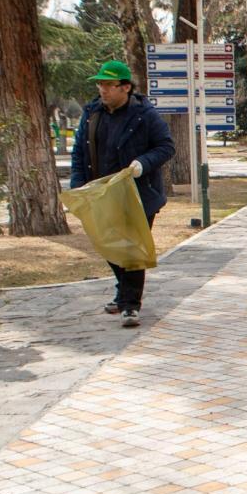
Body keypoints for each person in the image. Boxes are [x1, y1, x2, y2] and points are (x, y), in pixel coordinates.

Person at [71, 61, 175, 328]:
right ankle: (122, 293)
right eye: (100, 84)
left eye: (109, 85)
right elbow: (79, 152)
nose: (102, 90)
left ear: (125, 87)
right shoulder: (92, 113)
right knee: (109, 244)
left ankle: (130, 305)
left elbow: (165, 147)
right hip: (101, 194)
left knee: (131, 249)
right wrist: (78, 184)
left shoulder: (145, 114)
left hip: (138, 195)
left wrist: (143, 163)